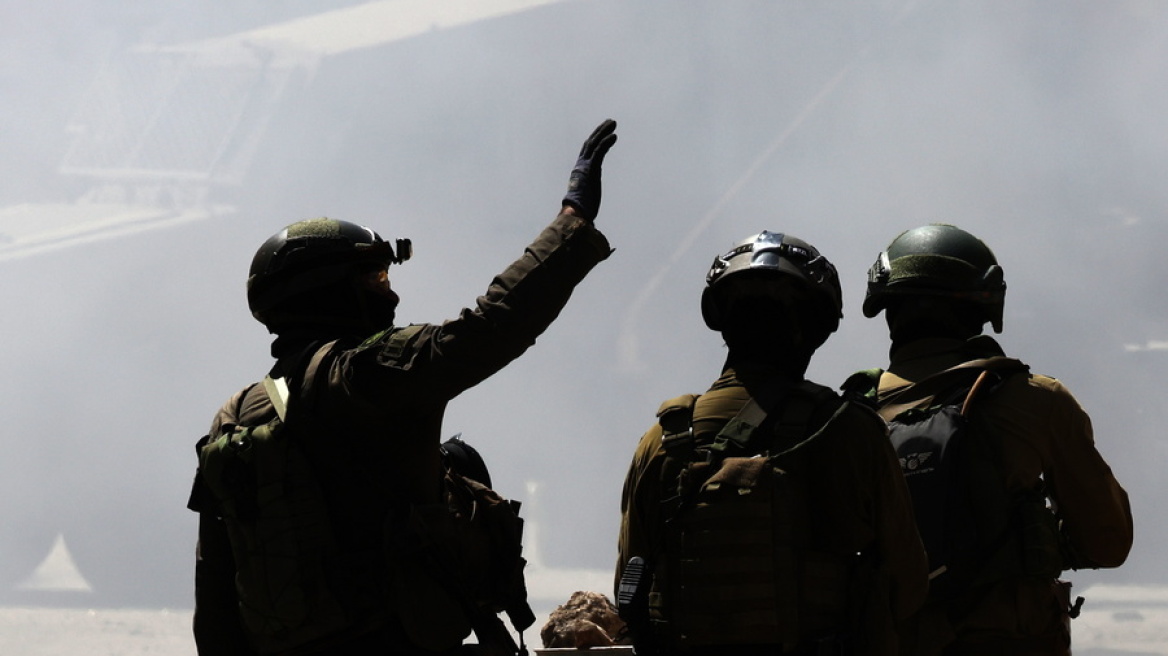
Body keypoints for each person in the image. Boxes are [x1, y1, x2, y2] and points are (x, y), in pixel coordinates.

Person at [187, 119, 619, 655]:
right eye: (376, 279)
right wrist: (572, 222)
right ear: (331, 292)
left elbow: (216, 595)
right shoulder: (367, 374)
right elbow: (492, 326)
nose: (390, 297)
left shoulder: (235, 417)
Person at [616, 231, 929, 656]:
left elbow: (629, 580)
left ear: (722, 320)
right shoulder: (850, 430)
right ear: (815, 329)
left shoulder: (665, 439)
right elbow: (907, 586)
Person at [857, 223, 1134, 655]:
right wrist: (1031, 541)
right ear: (982, 307)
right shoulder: (1035, 399)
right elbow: (1108, 540)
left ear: (887, 306)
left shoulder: (850, 416)